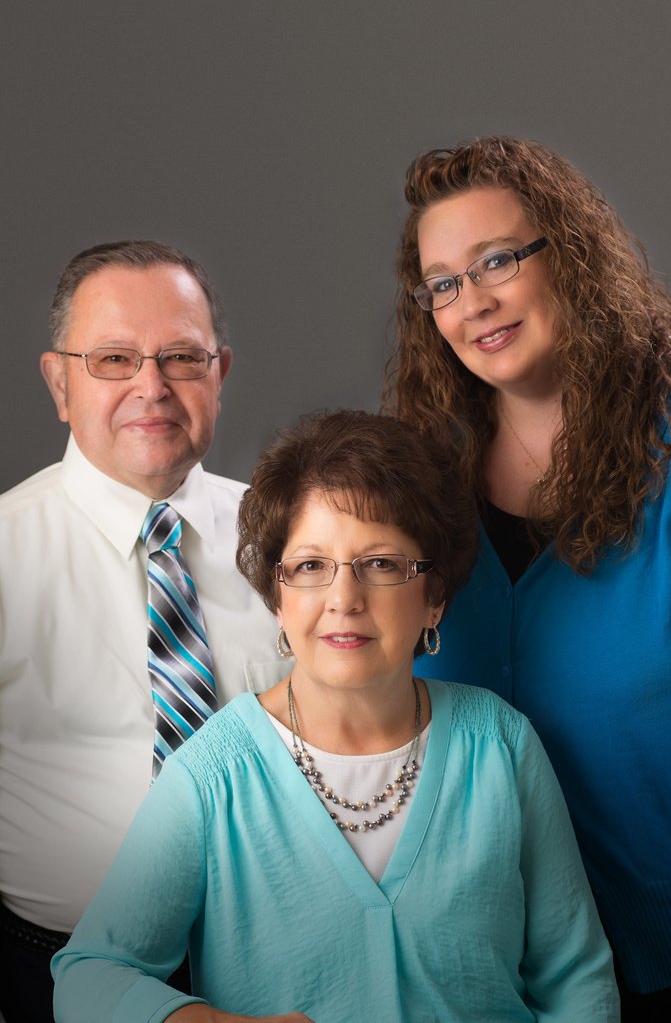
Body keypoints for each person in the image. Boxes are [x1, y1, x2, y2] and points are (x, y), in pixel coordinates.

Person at [52, 409, 619, 1022]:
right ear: (277, 597)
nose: (343, 600)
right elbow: (87, 976)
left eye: (381, 564)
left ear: (433, 597)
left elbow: (578, 979)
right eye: (311, 566)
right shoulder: (212, 777)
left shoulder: (502, 745)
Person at [383, 136, 671, 1020]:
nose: (473, 302)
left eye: (497, 261)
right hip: (489, 966)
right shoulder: (417, 478)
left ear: (571, 255)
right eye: (443, 283)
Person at [0, 240, 286, 1022]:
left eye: (181, 358)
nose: (151, 387)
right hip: (57, 977)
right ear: (59, 382)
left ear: (219, 375)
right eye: (114, 359)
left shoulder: (294, 540)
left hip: (280, 962)